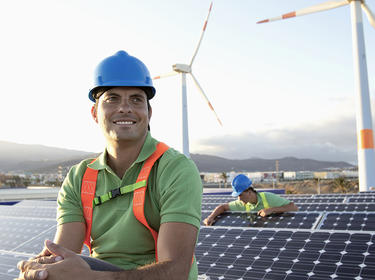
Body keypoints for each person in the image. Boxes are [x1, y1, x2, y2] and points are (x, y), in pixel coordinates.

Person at [17, 50, 203, 280]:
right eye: (112, 98)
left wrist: (91, 278)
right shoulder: (79, 177)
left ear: (149, 113)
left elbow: (174, 271)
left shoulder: (176, 169)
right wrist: (42, 270)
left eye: (136, 99)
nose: (125, 108)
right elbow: (62, 254)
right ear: (95, 112)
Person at [203, 174, 298, 226]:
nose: (238, 198)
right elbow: (222, 207)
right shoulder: (242, 203)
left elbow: (293, 207)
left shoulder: (268, 197)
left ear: (249, 192)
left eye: (240, 195)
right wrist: (211, 217)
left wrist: (271, 209)